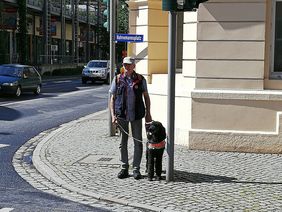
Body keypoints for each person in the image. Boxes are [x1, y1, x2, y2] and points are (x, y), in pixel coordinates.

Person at [110, 56, 152, 180]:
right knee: (122, 142)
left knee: (137, 141)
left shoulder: (140, 79)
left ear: (134, 66)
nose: (126, 67)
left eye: (129, 65)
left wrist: (148, 112)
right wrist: (113, 115)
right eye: (124, 65)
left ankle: (136, 169)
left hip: (137, 114)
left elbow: (146, 97)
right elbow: (112, 99)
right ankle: (124, 167)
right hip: (121, 115)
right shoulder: (117, 79)